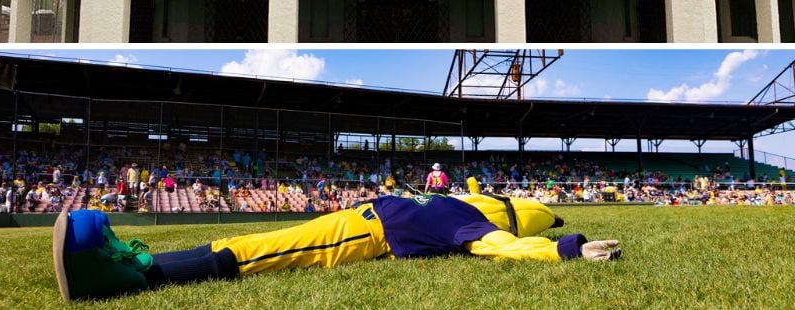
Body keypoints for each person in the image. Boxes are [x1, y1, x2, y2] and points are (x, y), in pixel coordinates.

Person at [53, 177, 621, 301]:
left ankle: (128, 278)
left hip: (362, 236)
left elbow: (504, 246)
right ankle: (139, 260)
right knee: (258, 239)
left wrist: (561, 248)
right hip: (358, 217)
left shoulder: (473, 224)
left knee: (259, 253)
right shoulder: (462, 204)